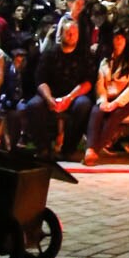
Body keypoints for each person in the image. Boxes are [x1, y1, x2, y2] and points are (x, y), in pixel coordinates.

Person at [25, 16, 93, 158]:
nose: (71, 35)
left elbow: (87, 82)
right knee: (33, 105)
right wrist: (50, 99)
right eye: (68, 32)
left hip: (73, 96)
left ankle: (68, 149)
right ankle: (43, 148)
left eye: (74, 33)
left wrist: (69, 98)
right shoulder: (49, 53)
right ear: (61, 34)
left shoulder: (84, 55)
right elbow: (40, 80)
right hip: (50, 95)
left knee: (84, 105)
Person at [89, 24, 129, 157]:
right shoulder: (105, 60)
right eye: (116, 38)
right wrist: (103, 101)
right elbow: (100, 84)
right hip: (109, 97)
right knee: (96, 111)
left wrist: (116, 103)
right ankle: (89, 147)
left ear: (126, 40)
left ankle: (95, 150)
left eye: (121, 38)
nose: (119, 40)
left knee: (115, 115)